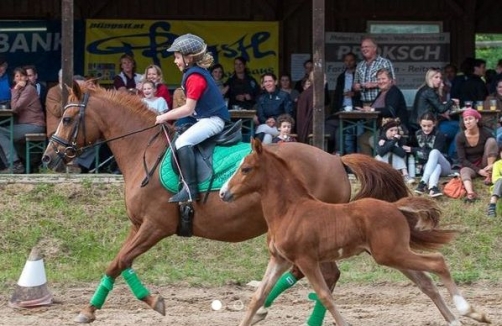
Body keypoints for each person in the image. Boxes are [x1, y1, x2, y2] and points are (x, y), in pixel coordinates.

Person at [155, 33, 230, 203]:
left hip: (213, 121)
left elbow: (188, 109)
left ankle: (190, 189)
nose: (175, 61)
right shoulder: (193, 73)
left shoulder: (195, 77)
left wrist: (164, 117)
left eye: (177, 57)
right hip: (204, 119)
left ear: (188, 58)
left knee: (182, 142)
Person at [0, 67, 45, 173]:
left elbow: (15, 108)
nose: (19, 78)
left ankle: (15, 164)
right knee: (3, 138)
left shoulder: (29, 89)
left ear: (26, 78)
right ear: (14, 79)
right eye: (17, 76)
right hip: (25, 125)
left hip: (34, 125)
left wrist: (15, 90)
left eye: (22, 76)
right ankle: (15, 165)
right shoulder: (21, 90)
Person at [356, 68, 408, 156]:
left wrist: (372, 110)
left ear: (391, 80)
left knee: (372, 139)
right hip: (382, 127)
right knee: (362, 139)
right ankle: (370, 166)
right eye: (378, 79)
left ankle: (386, 161)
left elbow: (390, 111)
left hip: (396, 128)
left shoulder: (393, 91)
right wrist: (365, 110)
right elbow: (374, 108)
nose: (380, 81)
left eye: (383, 79)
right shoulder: (382, 92)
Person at [410, 68, 459, 158]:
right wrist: (451, 101)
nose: (439, 80)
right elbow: (441, 109)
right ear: (430, 78)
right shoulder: (429, 91)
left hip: (420, 123)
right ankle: (453, 156)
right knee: (460, 128)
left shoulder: (423, 89)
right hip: (427, 125)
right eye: (436, 77)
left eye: (440, 78)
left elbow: (432, 108)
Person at [456, 109, 498, 203]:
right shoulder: (460, 137)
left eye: (470, 119)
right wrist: (479, 171)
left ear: (477, 120)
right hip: (471, 166)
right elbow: (462, 160)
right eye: (465, 119)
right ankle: (470, 193)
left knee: (491, 141)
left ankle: (489, 175)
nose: (468, 121)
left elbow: (494, 148)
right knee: (464, 170)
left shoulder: (485, 133)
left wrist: (488, 167)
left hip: (485, 163)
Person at [411, 112, 451, 197]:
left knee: (434, 152)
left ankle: (423, 182)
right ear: (420, 124)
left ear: (434, 124)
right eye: (424, 126)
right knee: (437, 166)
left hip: (445, 165)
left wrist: (413, 150)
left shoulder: (439, 134)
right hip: (428, 166)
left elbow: (430, 153)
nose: (426, 128)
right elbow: (409, 146)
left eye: (429, 126)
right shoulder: (417, 134)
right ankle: (433, 188)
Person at [330, 52, 361, 153]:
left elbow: (365, 92)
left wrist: (355, 94)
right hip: (343, 109)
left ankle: (359, 156)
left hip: (357, 109)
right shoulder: (341, 77)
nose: (349, 63)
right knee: (341, 131)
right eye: (346, 60)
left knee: (358, 132)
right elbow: (337, 95)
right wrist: (334, 110)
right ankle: (341, 153)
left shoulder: (359, 75)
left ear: (355, 61)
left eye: (351, 60)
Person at [353, 36, 395, 106]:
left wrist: (374, 84)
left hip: (381, 102)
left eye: (367, 47)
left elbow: (393, 83)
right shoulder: (359, 65)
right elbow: (355, 85)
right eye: (362, 47)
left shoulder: (384, 63)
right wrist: (358, 86)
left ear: (374, 48)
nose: (364, 49)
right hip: (364, 103)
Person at [255, 73, 293, 144]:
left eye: (270, 81)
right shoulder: (261, 98)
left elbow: (288, 114)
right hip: (267, 125)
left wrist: (275, 120)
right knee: (267, 137)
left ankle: (254, 149)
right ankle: (266, 154)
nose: (268, 83)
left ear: (275, 82)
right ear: (263, 84)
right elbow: (260, 115)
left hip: (281, 127)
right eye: (265, 82)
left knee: (262, 128)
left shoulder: (284, 96)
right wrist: (267, 121)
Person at [374, 119, 415, 184]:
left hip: (395, 164)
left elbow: (402, 153)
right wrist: (393, 142)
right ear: (385, 131)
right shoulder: (381, 139)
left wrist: (391, 143)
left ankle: (405, 175)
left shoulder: (399, 139)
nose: (394, 133)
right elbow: (381, 152)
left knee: (397, 154)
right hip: (383, 164)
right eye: (391, 130)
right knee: (383, 155)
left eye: (396, 130)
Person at [487, 146, 502, 217]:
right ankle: (492, 207)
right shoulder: (497, 164)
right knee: (500, 180)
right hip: (499, 186)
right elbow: (495, 178)